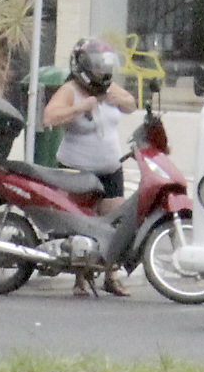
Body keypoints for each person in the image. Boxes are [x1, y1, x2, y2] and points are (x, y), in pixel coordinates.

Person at [41, 37, 138, 295]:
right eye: (96, 67)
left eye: (104, 67)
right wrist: (82, 106)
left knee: (114, 223)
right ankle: (80, 280)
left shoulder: (108, 87)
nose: (101, 72)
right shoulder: (71, 90)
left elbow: (131, 104)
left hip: (110, 169)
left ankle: (110, 275)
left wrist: (113, 97)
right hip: (78, 170)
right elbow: (50, 116)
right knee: (82, 224)